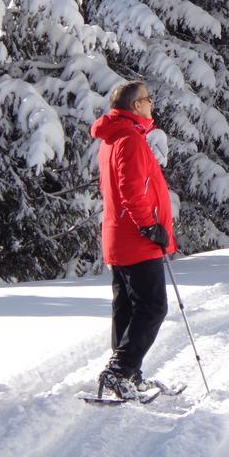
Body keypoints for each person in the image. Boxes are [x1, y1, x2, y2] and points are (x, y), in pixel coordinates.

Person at [90, 80, 177, 399]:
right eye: (147, 99)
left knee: (127, 307)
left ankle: (128, 374)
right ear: (136, 105)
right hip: (136, 238)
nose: (151, 104)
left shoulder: (113, 138)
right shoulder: (128, 138)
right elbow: (131, 189)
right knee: (153, 306)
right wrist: (149, 226)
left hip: (119, 236)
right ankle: (119, 371)